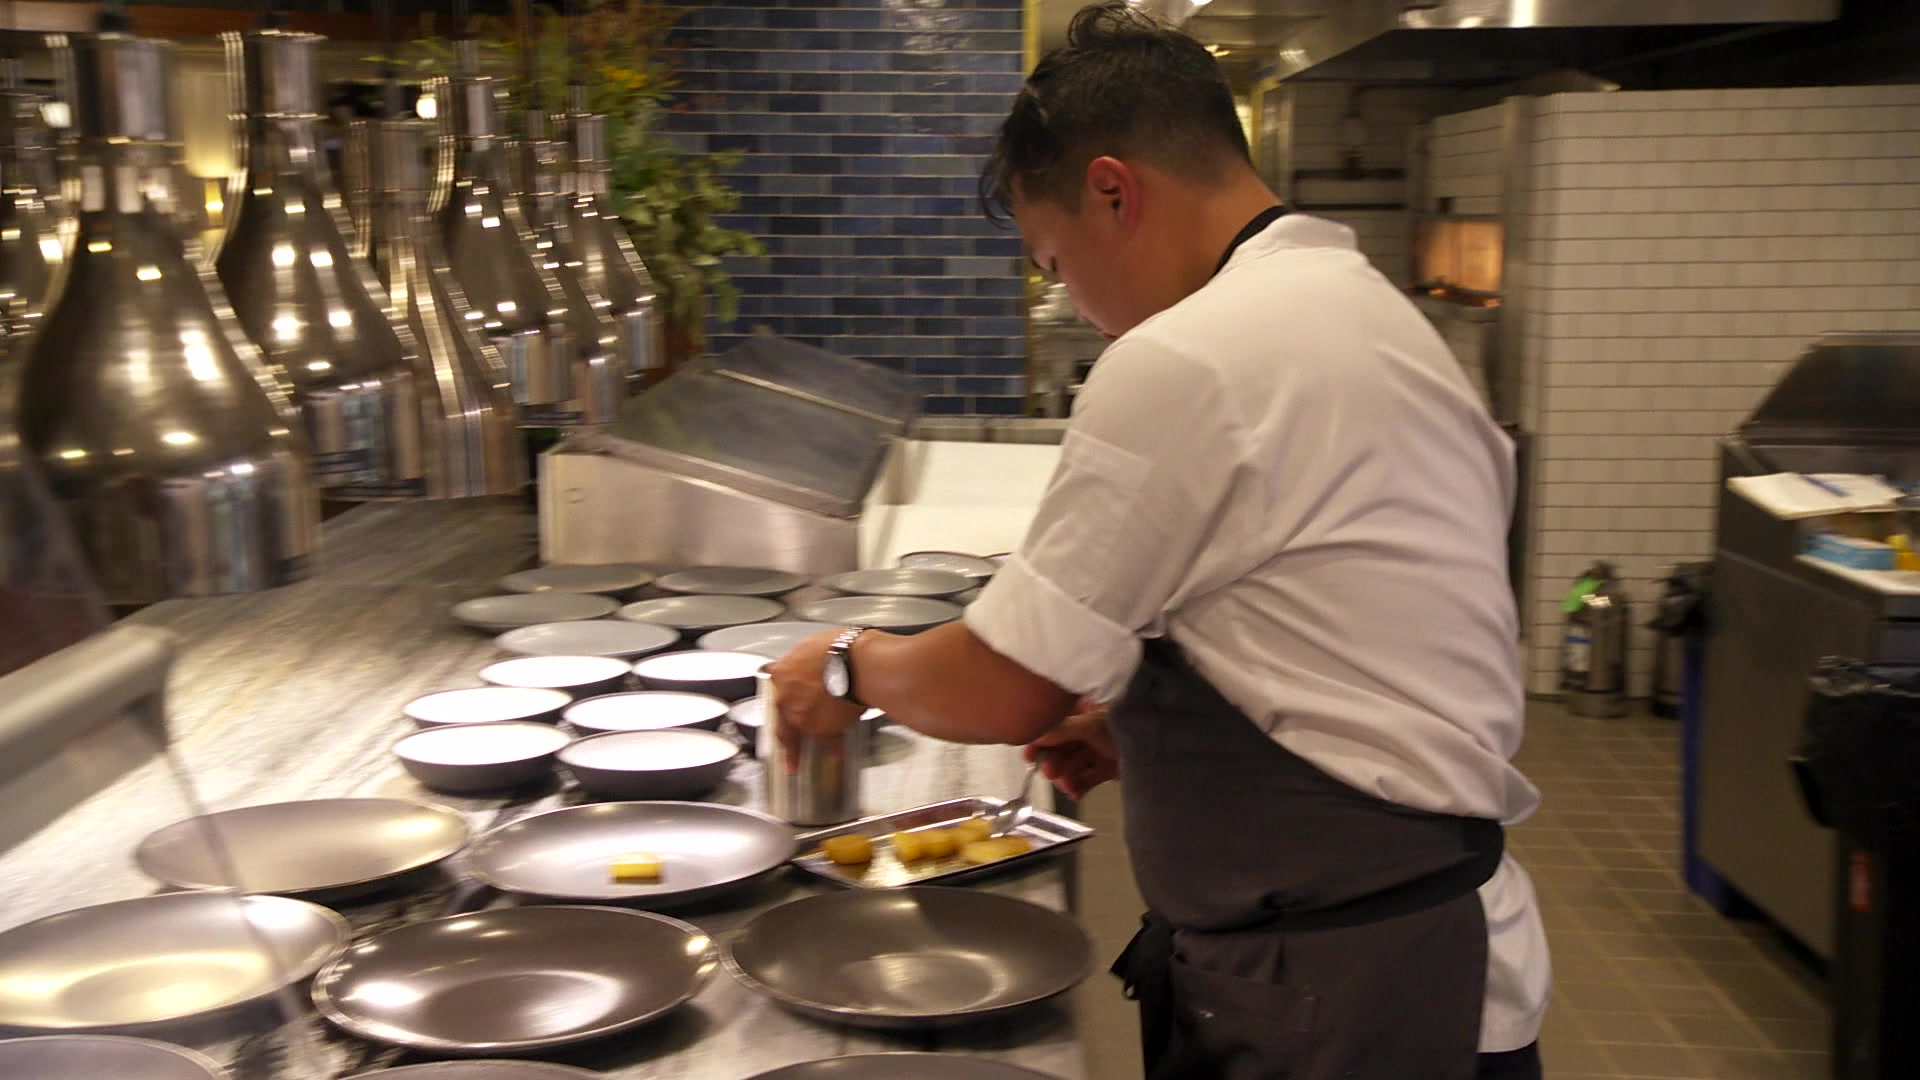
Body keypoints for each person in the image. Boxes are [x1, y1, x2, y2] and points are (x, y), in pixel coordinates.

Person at [767, 5, 1549, 1077]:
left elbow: (1002, 689)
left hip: (1348, 1002)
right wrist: (1151, 736)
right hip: (1416, 954)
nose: (1078, 307)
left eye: (1054, 262)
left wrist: (846, 666)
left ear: (1112, 191)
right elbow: (1364, 636)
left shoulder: (1193, 356)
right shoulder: (1368, 317)